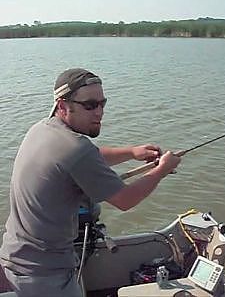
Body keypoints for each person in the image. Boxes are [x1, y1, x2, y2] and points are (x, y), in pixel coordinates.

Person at [0, 68, 181, 297]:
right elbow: (125, 199)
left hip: (15, 259)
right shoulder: (76, 148)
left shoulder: (42, 130)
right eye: (90, 105)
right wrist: (162, 170)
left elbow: (89, 158)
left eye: (102, 103)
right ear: (63, 105)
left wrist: (132, 152)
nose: (99, 112)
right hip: (45, 276)